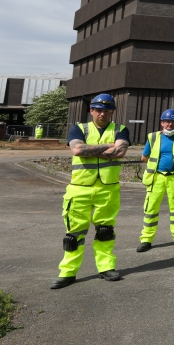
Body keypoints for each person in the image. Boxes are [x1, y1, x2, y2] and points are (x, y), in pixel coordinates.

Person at [51, 93, 130, 289]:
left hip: (108, 189)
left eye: (107, 110)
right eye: (98, 109)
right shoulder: (79, 128)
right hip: (79, 189)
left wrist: (92, 149)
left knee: (105, 231)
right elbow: (77, 150)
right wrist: (108, 147)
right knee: (73, 234)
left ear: (112, 111)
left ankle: (106, 268)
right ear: (91, 110)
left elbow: (119, 152)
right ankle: (67, 273)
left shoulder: (121, 129)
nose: (102, 113)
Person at [137, 109, 174, 252]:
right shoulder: (153, 137)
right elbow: (144, 157)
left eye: (173, 121)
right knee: (150, 209)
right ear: (162, 123)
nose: (170, 124)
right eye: (167, 121)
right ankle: (146, 239)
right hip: (157, 178)